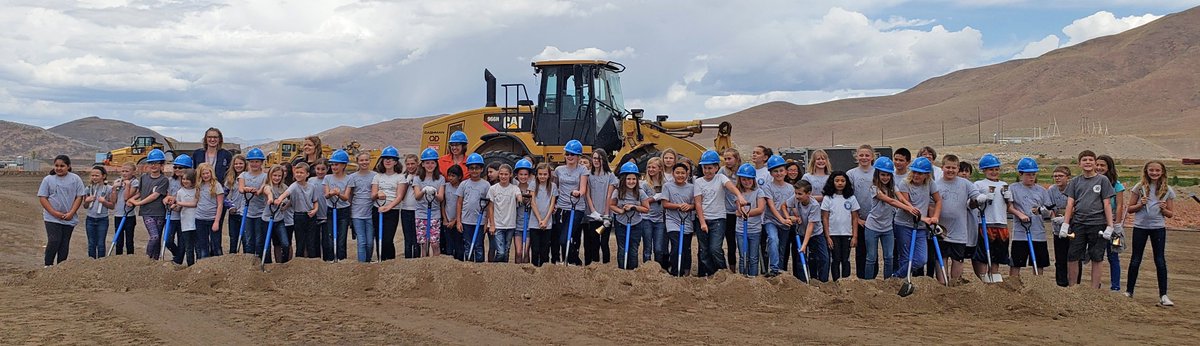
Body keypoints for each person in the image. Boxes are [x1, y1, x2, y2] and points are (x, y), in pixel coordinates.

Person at [1060, 150, 1116, 289]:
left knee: (1097, 256)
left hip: (1097, 224)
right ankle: (1072, 287)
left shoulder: (1103, 180)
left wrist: (1110, 226)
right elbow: (1070, 203)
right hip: (1078, 223)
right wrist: (1065, 224)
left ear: (1095, 163)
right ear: (1079, 163)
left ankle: (1094, 289)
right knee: (1073, 255)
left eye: (1091, 160)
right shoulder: (1075, 182)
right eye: (1084, 160)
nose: (1088, 162)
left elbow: (1107, 203)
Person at [1126, 161, 1175, 306]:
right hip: (1140, 227)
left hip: (1158, 228)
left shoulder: (1168, 190)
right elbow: (1130, 209)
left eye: (1157, 170)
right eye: (1151, 170)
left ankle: (1163, 295)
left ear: (1162, 172)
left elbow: (1170, 214)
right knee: (1135, 259)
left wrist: (1164, 209)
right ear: (1146, 171)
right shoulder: (1139, 188)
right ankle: (1129, 291)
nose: (1154, 173)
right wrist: (1140, 204)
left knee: (1160, 260)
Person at [863, 157, 919, 280]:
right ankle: (867, 283)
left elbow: (900, 198)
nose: (885, 177)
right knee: (871, 257)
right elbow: (891, 201)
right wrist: (908, 209)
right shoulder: (874, 188)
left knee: (889, 257)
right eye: (883, 174)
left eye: (888, 175)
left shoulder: (893, 186)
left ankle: (888, 282)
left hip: (887, 227)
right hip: (872, 227)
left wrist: (910, 207)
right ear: (877, 174)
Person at [935, 155, 987, 285]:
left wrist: (979, 198)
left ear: (958, 168)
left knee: (958, 259)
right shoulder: (936, 184)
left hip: (959, 230)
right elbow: (931, 203)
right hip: (941, 229)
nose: (951, 170)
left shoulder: (965, 184)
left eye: (954, 168)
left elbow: (975, 196)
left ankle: (955, 283)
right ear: (942, 167)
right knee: (941, 257)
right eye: (948, 167)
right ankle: (942, 284)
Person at [694, 150, 747, 277]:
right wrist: (702, 222)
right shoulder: (698, 182)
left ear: (717, 167)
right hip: (703, 219)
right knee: (704, 250)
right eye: (705, 168)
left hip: (718, 219)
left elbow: (731, 187)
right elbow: (698, 204)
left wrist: (739, 196)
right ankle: (711, 274)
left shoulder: (721, 178)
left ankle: (723, 273)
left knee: (715, 248)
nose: (707, 171)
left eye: (710, 168)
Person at [893, 157, 941, 279]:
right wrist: (923, 218)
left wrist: (935, 217)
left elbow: (938, 200)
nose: (916, 175)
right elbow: (906, 206)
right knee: (905, 256)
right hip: (904, 224)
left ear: (926, 175)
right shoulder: (905, 183)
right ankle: (903, 282)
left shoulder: (930, 183)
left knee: (921, 259)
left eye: (919, 173)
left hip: (920, 227)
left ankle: (896, 277)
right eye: (914, 172)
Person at [39, 155, 86, 267]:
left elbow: (79, 197)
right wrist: (54, 212)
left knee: (64, 242)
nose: (59, 168)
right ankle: (48, 265)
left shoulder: (75, 179)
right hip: (51, 217)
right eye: (56, 166)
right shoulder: (48, 180)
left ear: (68, 166)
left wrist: (71, 213)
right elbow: (42, 197)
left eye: (62, 166)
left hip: (69, 217)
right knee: (54, 240)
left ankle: (61, 266)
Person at [1007, 158, 1049, 277]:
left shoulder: (1041, 190)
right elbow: (1009, 206)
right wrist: (1020, 215)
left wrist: (1042, 211)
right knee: (1016, 263)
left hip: (1038, 233)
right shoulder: (1013, 188)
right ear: (1020, 174)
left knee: (1039, 263)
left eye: (1033, 174)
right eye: (1028, 174)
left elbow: (1048, 211)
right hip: (1020, 233)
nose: (1031, 177)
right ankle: (1014, 285)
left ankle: (1038, 287)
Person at [974, 154, 1011, 282]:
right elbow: (972, 202)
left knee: (998, 252)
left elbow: (1009, 205)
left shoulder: (1004, 184)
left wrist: (1007, 197)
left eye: (996, 169)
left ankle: (994, 274)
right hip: (986, 222)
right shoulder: (979, 184)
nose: (994, 172)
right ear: (984, 170)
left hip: (1001, 222)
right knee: (985, 252)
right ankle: (983, 276)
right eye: (990, 169)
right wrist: (981, 199)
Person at [609, 162, 651, 270]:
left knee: (633, 249)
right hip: (621, 223)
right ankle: (622, 271)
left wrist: (634, 207)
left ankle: (632, 271)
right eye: (628, 179)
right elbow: (611, 205)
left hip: (636, 224)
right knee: (622, 248)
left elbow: (646, 209)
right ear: (623, 179)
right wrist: (620, 211)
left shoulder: (640, 193)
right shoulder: (618, 192)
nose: (631, 181)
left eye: (634, 179)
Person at [554, 140, 589, 266]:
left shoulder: (582, 170)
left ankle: (574, 260)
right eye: (568, 154)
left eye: (573, 154)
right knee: (561, 237)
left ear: (578, 156)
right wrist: (554, 204)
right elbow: (555, 187)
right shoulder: (558, 170)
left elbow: (583, 189)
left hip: (576, 207)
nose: (570, 157)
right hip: (561, 208)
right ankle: (567, 262)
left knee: (565, 239)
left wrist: (578, 192)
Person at [820, 171, 859, 281]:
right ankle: (836, 281)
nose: (840, 183)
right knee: (836, 259)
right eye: (837, 181)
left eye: (842, 181)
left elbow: (855, 217)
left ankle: (846, 282)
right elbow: (825, 218)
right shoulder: (828, 198)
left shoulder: (851, 198)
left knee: (845, 259)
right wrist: (827, 236)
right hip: (833, 234)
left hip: (847, 233)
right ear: (832, 182)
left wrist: (855, 236)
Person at [760, 155, 794, 277]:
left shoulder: (790, 188)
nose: (779, 173)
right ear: (771, 173)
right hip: (771, 220)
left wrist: (792, 217)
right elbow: (771, 206)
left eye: (781, 170)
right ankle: (774, 269)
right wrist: (781, 219)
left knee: (782, 247)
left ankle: (779, 272)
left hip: (785, 222)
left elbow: (791, 206)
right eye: (775, 171)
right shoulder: (768, 186)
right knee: (773, 240)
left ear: (785, 171)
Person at [133, 149, 171, 260]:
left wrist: (138, 203)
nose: (153, 165)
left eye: (157, 163)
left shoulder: (164, 180)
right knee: (154, 236)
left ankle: (155, 261)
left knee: (157, 238)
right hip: (147, 212)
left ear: (161, 165)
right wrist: (131, 199)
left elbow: (155, 195)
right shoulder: (144, 178)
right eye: (151, 163)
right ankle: (147, 258)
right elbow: (140, 192)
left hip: (159, 212)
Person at [278, 162, 320, 260]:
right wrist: (279, 200)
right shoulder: (294, 185)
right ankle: (298, 262)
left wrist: (315, 210)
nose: (299, 175)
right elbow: (287, 194)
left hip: (310, 215)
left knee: (311, 241)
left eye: (301, 173)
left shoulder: (312, 187)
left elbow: (315, 201)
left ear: (307, 174)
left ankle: (312, 263)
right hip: (298, 215)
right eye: (297, 172)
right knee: (299, 241)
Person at [661, 162, 697, 276]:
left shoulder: (692, 188)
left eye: (683, 173)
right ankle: (676, 271)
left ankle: (686, 271)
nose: (680, 175)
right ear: (673, 173)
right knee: (676, 247)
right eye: (677, 173)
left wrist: (690, 207)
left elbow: (695, 204)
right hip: (672, 222)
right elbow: (665, 204)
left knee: (686, 248)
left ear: (687, 174)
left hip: (687, 222)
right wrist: (679, 206)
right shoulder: (667, 186)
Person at [1096, 154, 1126, 292]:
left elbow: (1119, 205)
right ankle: (1096, 284)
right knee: (1097, 255)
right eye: (1098, 164)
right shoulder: (1093, 182)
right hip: (1096, 222)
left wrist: (1117, 225)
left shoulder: (1117, 185)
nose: (1099, 167)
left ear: (1109, 167)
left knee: (1113, 255)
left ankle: (1115, 286)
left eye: (1103, 165)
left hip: (1113, 224)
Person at [371, 146, 405, 261]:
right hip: (377, 210)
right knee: (378, 238)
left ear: (396, 161)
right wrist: (377, 195)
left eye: (391, 158)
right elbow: (372, 195)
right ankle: (380, 260)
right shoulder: (377, 176)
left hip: (392, 211)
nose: (388, 161)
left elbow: (399, 196)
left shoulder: (400, 177)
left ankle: (390, 262)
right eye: (385, 158)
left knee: (387, 239)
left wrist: (388, 207)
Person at [847, 144, 876, 279]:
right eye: (861, 155)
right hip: (859, 219)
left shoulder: (877, 172)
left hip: (876, 219)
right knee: (860, 251)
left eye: (867, 155)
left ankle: (873, 278)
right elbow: (848, 197)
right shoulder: (851, 174)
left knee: (873, 251)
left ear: (872, 157)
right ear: (856, 156)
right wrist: (857, 219)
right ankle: (861, 278)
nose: (864, 158)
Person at [733, 163, 766, 277]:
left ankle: (753, 278)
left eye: (749, 179)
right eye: (744, 179)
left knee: (753, 257)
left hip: (755, 229)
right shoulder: (738, 193)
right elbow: (738, 208)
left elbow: (760, 209)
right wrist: (741, 213)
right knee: (743, 256)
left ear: (753, 179)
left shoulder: (759, 192)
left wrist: (745, 213)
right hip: (741, 230)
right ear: (740, 180)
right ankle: (743, 277)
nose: (747, 182)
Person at [457, 153, 491, 263]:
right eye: (471, 168)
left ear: (482, 169)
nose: (474, 171)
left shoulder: (486, 185)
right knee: (467, 245)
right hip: (466, 221)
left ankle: (479, 268)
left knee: (478, 246)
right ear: (468, 169)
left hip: (480, 222)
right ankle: (469, 268)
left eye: (477, 168)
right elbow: (459, 203)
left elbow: (489, 205)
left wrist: (486, 223)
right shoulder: (464, 184)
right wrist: (459, 221)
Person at [585, 149, 617, 265]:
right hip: (593, 215)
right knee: (594, 241)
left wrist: (606, 214)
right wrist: (593, 211)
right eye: (594, 158)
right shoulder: (588, 175)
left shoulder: (610, 176)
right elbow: (587, 194)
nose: (596, 161)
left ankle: (606, 266)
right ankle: (595, 265)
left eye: (599, 158)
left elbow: (609, 195)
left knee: (604, 242)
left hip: (606, 216)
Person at [791, 181, 828, 282]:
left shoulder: (814, 205)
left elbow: (810, 227)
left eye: (800, 194)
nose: (797, 196)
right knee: (800, 259)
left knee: (822, 258)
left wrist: (803, 246)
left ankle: (822, 282)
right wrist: (790, 216)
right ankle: (803, 282)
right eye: (796, 193)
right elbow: (784, 205)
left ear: (808, 194)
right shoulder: (795, 199)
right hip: (801, 232)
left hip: (816, 234)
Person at [345, 152, 378, 263]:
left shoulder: (375, 176)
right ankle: (362, 264)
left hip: (370, 212)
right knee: (361, 241)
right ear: (357, 161)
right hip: (356, 213)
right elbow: (350, 195)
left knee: (370, 242)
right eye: (361, 160)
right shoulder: (352, 177)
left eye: (366, 160)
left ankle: (368, 261)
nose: (364, 162)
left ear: (369, 161)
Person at [413, 148, 446, 258]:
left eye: (432, 163)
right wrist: (423, 190)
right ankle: (424, 265)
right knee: (423, 244)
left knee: (435, 243)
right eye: (427, 163)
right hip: (421, 214)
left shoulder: (440, 179)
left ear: (436, 164)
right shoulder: (417, 179)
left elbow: (441, 198)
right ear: (422, 164)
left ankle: (436, 265)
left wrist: (434, 193)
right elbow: (417, 196)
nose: (430, 165)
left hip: (434, 214)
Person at [1047, 165, 1076, 287]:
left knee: (1074, 256)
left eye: (1060, 176)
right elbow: (1050, 206)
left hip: (1073, 225)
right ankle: (1061, 283)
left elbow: (1076, 205)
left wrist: (1066, 217)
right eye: (1055, 176)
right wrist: (1054, 218)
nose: (1057, 178)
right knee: (1060, 257)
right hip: (1058, 226)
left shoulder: (1073, 188)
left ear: (1067, 177)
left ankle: (1074, 282)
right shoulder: (1051, 190)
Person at [238, 148, 268, 260]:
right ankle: (248, 261)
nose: (254, 164)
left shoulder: (265, 176)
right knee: (248, 238)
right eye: (252, 161)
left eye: (257, 161)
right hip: (246, 212)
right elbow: (241, 189)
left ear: (261, 162)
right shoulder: (243, 175)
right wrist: (246, 189)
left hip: (260, 212)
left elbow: (262, 190)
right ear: (248, 162)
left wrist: (257, 191)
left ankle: (259, 260)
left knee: (259, 239)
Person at [486, 164, 520, 263]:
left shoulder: (514, 188)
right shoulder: (493, 189)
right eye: (501, 174)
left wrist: (520, 198)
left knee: (506, 250)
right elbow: (490, 207)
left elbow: (518, 195)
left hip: (510, 225)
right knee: (500, 252)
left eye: (506, 174)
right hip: (498, 225)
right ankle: (495, 268)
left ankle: (504, 273)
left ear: (510, 175)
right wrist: (492, 224)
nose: (503, 176)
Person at [323, 151, 352, 262]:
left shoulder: (349, 179)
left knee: (341, 238)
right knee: (330, 236)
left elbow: (346, 197)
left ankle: (342, 260)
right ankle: (331, 259)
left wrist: (338, 193)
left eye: (337, 164)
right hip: (331, 210)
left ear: (344, 165)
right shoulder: (327, 178)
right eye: (333, 164)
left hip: (343, 211)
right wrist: (330, 193)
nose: (334, 167)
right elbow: (326, 195)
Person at [163, 155, 192, 263]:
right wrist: (166, 199)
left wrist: (176, 201)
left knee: (182, 241)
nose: (177, 169)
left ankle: (178, 260)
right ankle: (177, 255)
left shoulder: (191, 183)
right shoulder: (170, 181)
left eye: (181, 167)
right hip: (171, 215)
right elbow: (167, 194)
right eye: (175, 167)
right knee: (168, 240)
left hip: (185, 216)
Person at [261, 165, 292, 263]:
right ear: (270, 175)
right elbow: (268, 192)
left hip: (279, 220)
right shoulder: (267, 186)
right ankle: (267, 263)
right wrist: (271, 199)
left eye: (279, 176)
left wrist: (284, 206)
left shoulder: (284, 187)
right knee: (267, 244)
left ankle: (283, 263)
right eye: (274, 175)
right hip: (267, 219)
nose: (277, 178)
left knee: (285, 243)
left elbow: (289, 199)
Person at [194, 163, 226, 260]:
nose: (205, 176)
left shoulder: (217, 185)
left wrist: (216, 221)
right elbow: (195, 202)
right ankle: (204, 265)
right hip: (200, 218)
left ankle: (219, 263)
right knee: (203, 244)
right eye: (203, 174)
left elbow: (220, 204)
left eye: (207, 173)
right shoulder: (199, 186)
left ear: (211, 173)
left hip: (212, 219)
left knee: (216, 244)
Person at [83, 165, 115, 259]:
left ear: (103, 176)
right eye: (92, 175)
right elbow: (85, 206)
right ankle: (91, 262)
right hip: (90, 219)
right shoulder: (88, 188)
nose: (94, 177)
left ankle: (101, 263)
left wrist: (104, 202)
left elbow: (112, 206)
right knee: (91, 243)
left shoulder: (109, 188)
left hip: (102, 219)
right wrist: (87, 201)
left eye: (97, 175)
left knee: (101, 243)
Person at [719, 148, 743, 272]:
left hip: (742, 211)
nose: (727, 161)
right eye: (725, 159)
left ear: (736, 158)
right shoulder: (722, 171)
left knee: (741, 240)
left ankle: (745, 267)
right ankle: (732, 268)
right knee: (730, 242)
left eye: (729, 158)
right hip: (728, 211)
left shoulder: (742, 171)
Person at [530, 163, 557, 266]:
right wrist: (539, 219)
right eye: (540, 174)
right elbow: (533, 203)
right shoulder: (533, 185)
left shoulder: (553, 186)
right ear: (537, 174)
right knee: (535, 249)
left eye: (545, 174)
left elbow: (552, 204)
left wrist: (545, 220)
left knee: (545, 249)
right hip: (534, 222)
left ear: (549, 175)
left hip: (547, 223)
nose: (542, 176)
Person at [111, 163, 139, 255]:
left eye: (127, 171)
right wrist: (114, 188)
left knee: (129, 240)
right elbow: (113, 200)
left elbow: (126, 197)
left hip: (129, 215)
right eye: (122, 171)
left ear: (133, 172)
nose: (124, 173)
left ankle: (130, 257)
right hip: (118, 214)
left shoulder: (134, 182)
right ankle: (118, 258)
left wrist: (127, 185)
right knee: (119, 240)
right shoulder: (118, 181)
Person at [174, 169, 199, 266]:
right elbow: (179, 208)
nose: (184, 181)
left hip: (196, 221)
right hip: (185, 223)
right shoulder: (180, 192)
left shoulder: (197, 190)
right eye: (183, 179)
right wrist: (174, 207)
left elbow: (194, 204)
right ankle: (190, 266)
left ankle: (199, 265)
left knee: (198, 246)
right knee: (188, 247)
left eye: (187, 179)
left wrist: (178, 203)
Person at [223, 154, 247, 254]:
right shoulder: (230, 179)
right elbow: (223, 196)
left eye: (241, 163)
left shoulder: (249, 178)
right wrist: (230, 206)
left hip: (245, 213)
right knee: (233, 238)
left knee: (246, 240)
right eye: (236, 164)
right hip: (234, 213)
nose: (238, 166)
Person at [512, 159, 534, 264]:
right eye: (521, 174)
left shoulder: (532, 189)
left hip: (529, 225)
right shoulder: (513, 188)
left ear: (529, 175)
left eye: (525, 174)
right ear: (517, 175)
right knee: (519, 252)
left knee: (526, 252)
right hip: (517, 225)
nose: (523, 177)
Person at [305, 159, 329, 259]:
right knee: (314, 241)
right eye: (318, 169)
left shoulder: (329, 179)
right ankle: (316, 260)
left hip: (326, 214)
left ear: (327, 169)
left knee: (326, 241)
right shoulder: (311, 180)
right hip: (314, 214)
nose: (320, 171)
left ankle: (328, 259)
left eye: (323, 169)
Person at [443, 165, 464, 260]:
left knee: (459, 246)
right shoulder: (445, 186)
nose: (450, 178)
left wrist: (455, 221)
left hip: (458, 222)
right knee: (449, 246)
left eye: (453, 176)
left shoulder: (462, 187)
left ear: (459, 177)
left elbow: (463, 206)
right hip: (447, 222)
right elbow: (443, 204)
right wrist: (445, 219)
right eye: (449, 175)